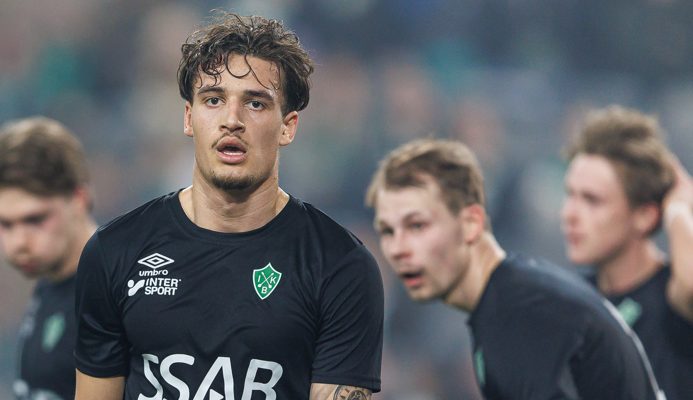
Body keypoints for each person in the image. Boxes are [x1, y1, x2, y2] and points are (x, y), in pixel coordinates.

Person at [74, 12, 383, 400]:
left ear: (287, 126)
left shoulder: (339, 266)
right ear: (189, 118)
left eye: (255, 103)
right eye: (213, 100)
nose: (231, 120)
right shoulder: (115, 251)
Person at [367, 138, 664, 400]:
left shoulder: (521, 314)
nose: (398, 249)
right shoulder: (508, 300)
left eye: (417, 226)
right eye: (388, 231)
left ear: (471, 224)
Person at [561, 105, 693, 400]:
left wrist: (678, 208)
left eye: (592, 200)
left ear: (645, 215)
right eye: (570, 195)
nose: (570, 214)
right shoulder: (571, 301)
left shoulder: (672, 296)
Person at [0, 117, 97, 400]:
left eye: (35, 219)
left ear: (78, 199)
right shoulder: (50, 282)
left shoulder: (118, 295)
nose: (18, 243)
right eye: (5, 224)